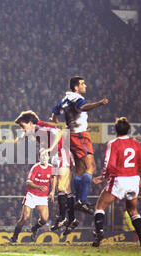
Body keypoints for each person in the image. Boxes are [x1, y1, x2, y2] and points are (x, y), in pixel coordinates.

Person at [50, 76, 109, 216]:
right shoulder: (78, 98)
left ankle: (78, 200)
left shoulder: (65, 99)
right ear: (76, 87)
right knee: (91, 167)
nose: (85, 86)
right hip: (80, 135)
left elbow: (55, 110)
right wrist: (100, 103)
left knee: (80, 169)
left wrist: (54, 118)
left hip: (71, 135)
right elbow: (83, 108)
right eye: (82, 84)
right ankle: (81, 201)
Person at [14, 110, 76, 235]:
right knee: (66, 189)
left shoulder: (40, 128)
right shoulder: (35, 130)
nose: (22, 129)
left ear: (30, 123)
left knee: (61, 187)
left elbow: (58, 132)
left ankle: (64, 218)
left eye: (22, 126)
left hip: (60, 155)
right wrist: (21, 137)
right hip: (58, 156)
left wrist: (51, 148)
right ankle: (71, 219)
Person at [91, 117, 141, 247]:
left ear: (115, 129)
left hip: (119, 179)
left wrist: (103, 177)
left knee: (100, 206)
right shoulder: (136, 144)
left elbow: (109, 163)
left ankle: (99, 231)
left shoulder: (113, 143)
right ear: (128, 129)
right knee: (133, 210)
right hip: (134, 180)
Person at [10, 151, 56, 243]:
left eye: (45, 156)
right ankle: (14, 238)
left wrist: (52, 191)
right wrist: (39, 187)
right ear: (39, 158)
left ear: (48, 157)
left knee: (44, 219)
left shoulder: (51, 168)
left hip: (42, 197)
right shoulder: (35, 167)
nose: (44, 157)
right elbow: (28, 182)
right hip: (31, 194)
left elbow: (53, 178)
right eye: (42, 156)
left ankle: (34, 228)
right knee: (25, 217)